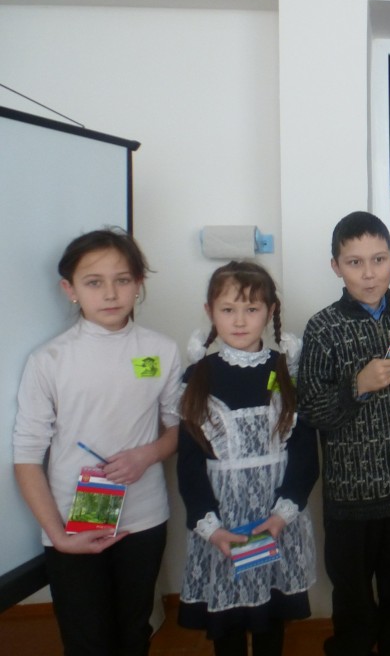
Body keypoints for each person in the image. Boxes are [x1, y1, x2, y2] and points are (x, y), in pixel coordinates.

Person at [13, 228, 181, 655]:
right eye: (93, 282)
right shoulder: (49, 360)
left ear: (138, 283)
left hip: (143, 519)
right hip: (74, 521)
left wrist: (148, 454)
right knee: (86, 639)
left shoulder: (161, 350)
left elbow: (176, 429)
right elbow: (27, 456)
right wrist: (59, 535)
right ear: (69, 289)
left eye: (122, 280)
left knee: (134, 632)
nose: (110, 293)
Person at [297, 211, 390, 656]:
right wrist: (356, 385)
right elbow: (310, 410)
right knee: (354, 604)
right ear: (336, 266)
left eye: (378, 260)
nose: (369, 273)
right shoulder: (323, 328)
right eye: (355, 262)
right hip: (350, 498)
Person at [176, 261, 318, 656]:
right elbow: (189, 463)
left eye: (252, 309)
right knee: (227, 625)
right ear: (210, 311)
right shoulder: (197, 376)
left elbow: (304, 453)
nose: (239, 321)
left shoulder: (286, 371)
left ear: (270, 312)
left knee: (271, 619)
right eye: (228, 309)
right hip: (223, 521)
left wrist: (283, 513)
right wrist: (210, 527)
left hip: (276, 519)